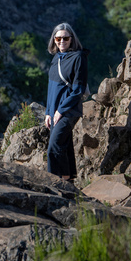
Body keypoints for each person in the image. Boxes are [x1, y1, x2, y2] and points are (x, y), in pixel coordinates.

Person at [45, 23, 88, 182]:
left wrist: (60, 111)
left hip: (69, 109)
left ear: (72, 39)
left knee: (54, 146)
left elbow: (78, 90)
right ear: (54, 40)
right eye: (58, 38)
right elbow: (51, 88)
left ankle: (56, 181)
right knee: (64, 144)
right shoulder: (56, 58)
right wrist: (48, 112)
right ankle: (68, 180)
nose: (62, 41)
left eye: (65, 38)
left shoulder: (78, 57)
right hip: (54, 111)